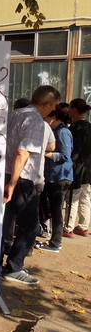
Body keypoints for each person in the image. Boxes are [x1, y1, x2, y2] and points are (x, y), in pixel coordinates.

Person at [1, 85, 61, 285]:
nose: (54, 109)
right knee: (30, 226)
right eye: (54, 105)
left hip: (5, 174)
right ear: (46, 104)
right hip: (21, 179)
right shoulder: (35, 121)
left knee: (5, 222)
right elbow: (23, 152)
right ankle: (13, 267)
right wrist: (13, 183)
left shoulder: (13, 115)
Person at [35, 105, 73, 253]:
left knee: (57, 211)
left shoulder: (62, 132)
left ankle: (56, 242)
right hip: (54, 176)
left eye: (46, 116)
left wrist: (45, 153)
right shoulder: (56, 130)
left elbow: (65, 155)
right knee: (54, 209)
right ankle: (54, 240)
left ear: (52, 117)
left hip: (60, 176)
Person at [63, 98, 91, 237]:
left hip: (77, 168)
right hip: (88, 168)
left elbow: (73, 150)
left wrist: (70, 166)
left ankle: (68, 227)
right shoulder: (89, 126)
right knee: (85, 197)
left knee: (73, 197)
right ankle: (83, 226)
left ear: (73, 109)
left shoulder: (75, 128)